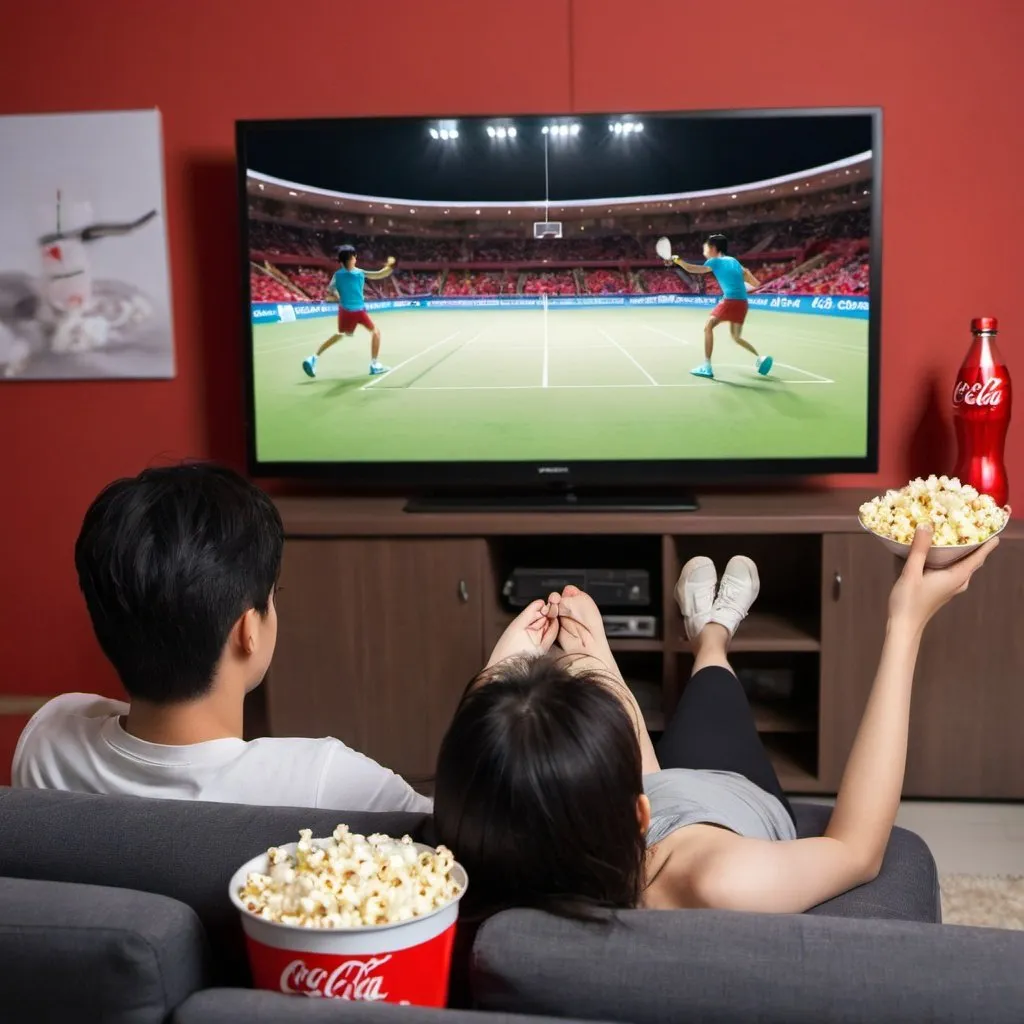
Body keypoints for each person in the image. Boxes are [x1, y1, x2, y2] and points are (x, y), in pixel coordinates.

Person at [434, 530, 997, 919]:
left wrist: (501, 673)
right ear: (639, 812)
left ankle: (684, 634)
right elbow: (856, 850)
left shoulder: (479, 852)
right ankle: (712, 633)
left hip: (646, 812)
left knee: (563, 731)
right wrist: (907, 623)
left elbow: (489, 771)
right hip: (730, 799)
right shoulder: (719, 881)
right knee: (712, 682)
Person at [12, 462, 430, 814]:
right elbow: (463, 834)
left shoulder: (46, 743)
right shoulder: (326, 783)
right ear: (248, 630)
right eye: (273, 596)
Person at [669, 233, 773, 381]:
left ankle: (707, 366)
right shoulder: (734, 261)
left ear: (713, 248)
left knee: (708, 326)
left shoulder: (715, 261)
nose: (704, 251)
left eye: (706, 248)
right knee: (736, 337)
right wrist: (745, 286)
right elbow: (751, 279)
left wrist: (678, 260)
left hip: (730, 301)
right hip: (743, 303)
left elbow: (693, 269)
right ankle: (760, 358)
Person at [302, 244, 395, 379]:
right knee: (376, 332)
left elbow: (331, 290)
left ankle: (313, 357)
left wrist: (339, 296)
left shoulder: (337, 275)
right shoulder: (360, 273)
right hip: (358, 311)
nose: (356, 258)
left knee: (340, 334)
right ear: (352, 258)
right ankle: (374, 365)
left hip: (344, 311)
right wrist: (390, 266)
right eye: (354, 256)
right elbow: (379, 274)